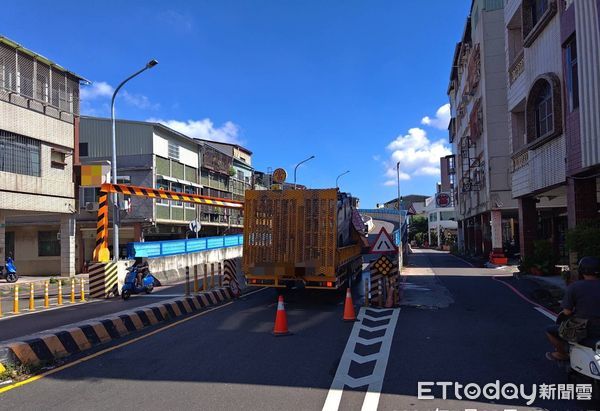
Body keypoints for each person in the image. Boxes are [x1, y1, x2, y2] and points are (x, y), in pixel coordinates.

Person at [546, 256, 600, 361]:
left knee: (549, 330)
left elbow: (566, 312)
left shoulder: (575, 287)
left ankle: (562, 354)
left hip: (586, 329)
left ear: (581, 271)